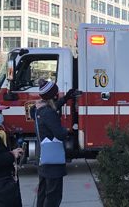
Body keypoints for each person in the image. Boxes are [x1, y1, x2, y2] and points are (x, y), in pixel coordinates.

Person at [34, 79, 72, 207]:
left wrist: (66, 98)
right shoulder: (49, 113)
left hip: (43, 158)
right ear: (54, 95)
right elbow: (59, 134)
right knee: (53, 196)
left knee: (43, 192)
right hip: (53, 162)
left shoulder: (39, 109)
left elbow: (54, 105)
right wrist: (67, 131)